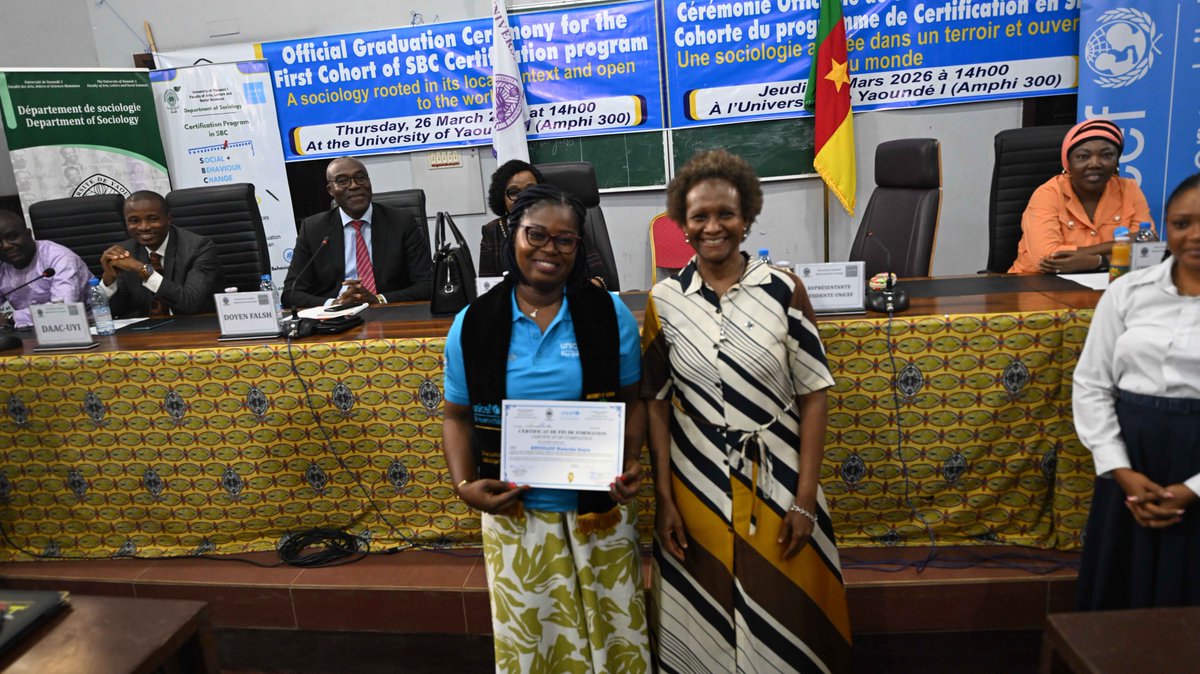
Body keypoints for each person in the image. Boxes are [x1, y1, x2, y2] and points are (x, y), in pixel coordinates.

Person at [642, 149, 852, 672]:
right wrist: (665, 498)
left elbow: (814, 392)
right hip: (696, 485)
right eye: (699, 217)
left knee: (788, 613)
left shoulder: (782, 289)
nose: (714, 227)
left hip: (778, 478)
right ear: (682, 225)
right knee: (702, 620)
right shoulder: (663, 301)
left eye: (726, 215)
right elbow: (657, 405)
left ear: (747, 218)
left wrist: (805, 497)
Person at [441, 184, 650, 672]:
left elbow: (633, 402)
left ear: (579, 248)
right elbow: (455, 416)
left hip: (598, 514)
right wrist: (464, 484)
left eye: (565, 240)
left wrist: (630, 460)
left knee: (613, 644)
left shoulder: (607, 314)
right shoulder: (473, 324)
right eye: (536, 235)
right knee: (535, 650)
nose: (549, 250)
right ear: (513, 235)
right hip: (517, 515)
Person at [1073, 173, 1200, 610]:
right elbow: (1091, 384)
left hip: (1196, 467)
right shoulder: (1128, 292)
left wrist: (1194, 489)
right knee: (1118, 593)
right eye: (1182, 224)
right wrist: (1118, 469)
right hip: (1132, 461)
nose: (1194, 236)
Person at [281, 157, 431, 308]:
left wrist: (377, 299)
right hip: (337, 318)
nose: (354, 186)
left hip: (389, 312)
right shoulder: (313, 229)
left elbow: (427, 284)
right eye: (342, 180)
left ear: (369, 182)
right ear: (330, 190)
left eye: (360, 178)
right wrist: (334, 303)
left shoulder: (401, 222)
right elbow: (291, 294)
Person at [1009, 118, 1154, 274]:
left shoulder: (1129, 189)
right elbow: (1046, 258)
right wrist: (1120, 246)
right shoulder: (1048, 194)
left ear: (1116, 162)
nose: (1095, 164)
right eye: (1083, 157)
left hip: (1108, 283)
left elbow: (1148, 251)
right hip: (1036, 285)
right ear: (1068, 164)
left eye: (1106, 155)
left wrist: (1097, 262)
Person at [478, 159, 614, 289]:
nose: (523, 197)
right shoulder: (492, 231)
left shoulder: (567, 224)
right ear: (501, 197)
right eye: (513, 192)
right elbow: (486, 287)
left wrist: (572, 294)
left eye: (530, 189)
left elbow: (601, 278)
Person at [100, 191, 220, 318]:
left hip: (196, 327)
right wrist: (109, 278)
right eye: (134, 221)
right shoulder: (126, 251)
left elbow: (190, 303)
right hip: (148, 332)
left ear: (168, 219)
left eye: (153, 219)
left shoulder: (199, 247)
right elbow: (116, 311)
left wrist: (142, 269)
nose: (144, 227)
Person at [0, 210, 93, 329]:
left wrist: (11, 318)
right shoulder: (3, 265)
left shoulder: (59, 258)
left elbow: (64, 309)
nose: (6, 246)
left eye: (12, 237)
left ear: (28, 234)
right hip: (29, 333)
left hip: (85, 328)